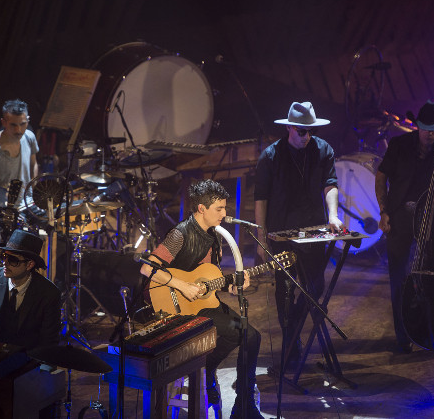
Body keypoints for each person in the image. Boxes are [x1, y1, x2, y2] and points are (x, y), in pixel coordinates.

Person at [140, 179, 263, 419]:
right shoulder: (180, 233)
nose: (224, 214)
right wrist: (182, 286)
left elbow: (211, 279)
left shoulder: (214, 236)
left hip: (203, 307)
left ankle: (243, 405)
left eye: (225, 208)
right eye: (219, 209)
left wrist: (234, 286)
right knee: (242, 334)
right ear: (201, 209)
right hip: (175, 309)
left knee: (250, 335)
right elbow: (147, 268)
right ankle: (205, 371)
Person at [254, 101, 342, 369]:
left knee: (316, 287)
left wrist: (333, 215)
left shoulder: (323, 150)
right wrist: (261, 237)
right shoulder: (271, 156)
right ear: (290, 128)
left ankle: (292, 336)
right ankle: (291, 346)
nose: (307, 137)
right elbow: (261, 199)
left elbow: (330, 184)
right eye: (302, 131)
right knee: (285, 290)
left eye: (310, 131)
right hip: (281, 232)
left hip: (313, 230)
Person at [375, 100, 434, 353]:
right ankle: (403, 336)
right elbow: (381, 176)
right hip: (401, 218)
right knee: (399, 280)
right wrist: (383, 210)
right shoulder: (399, 144)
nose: (430, 134)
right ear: (417, 126)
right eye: (425, 129)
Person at [0, 229, 61, 350]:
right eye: (4, 256)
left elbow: (49, 341)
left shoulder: (49, 293)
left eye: (13, 260)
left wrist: (35, 362)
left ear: (29, 265)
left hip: (27, 354)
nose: (5, 263)